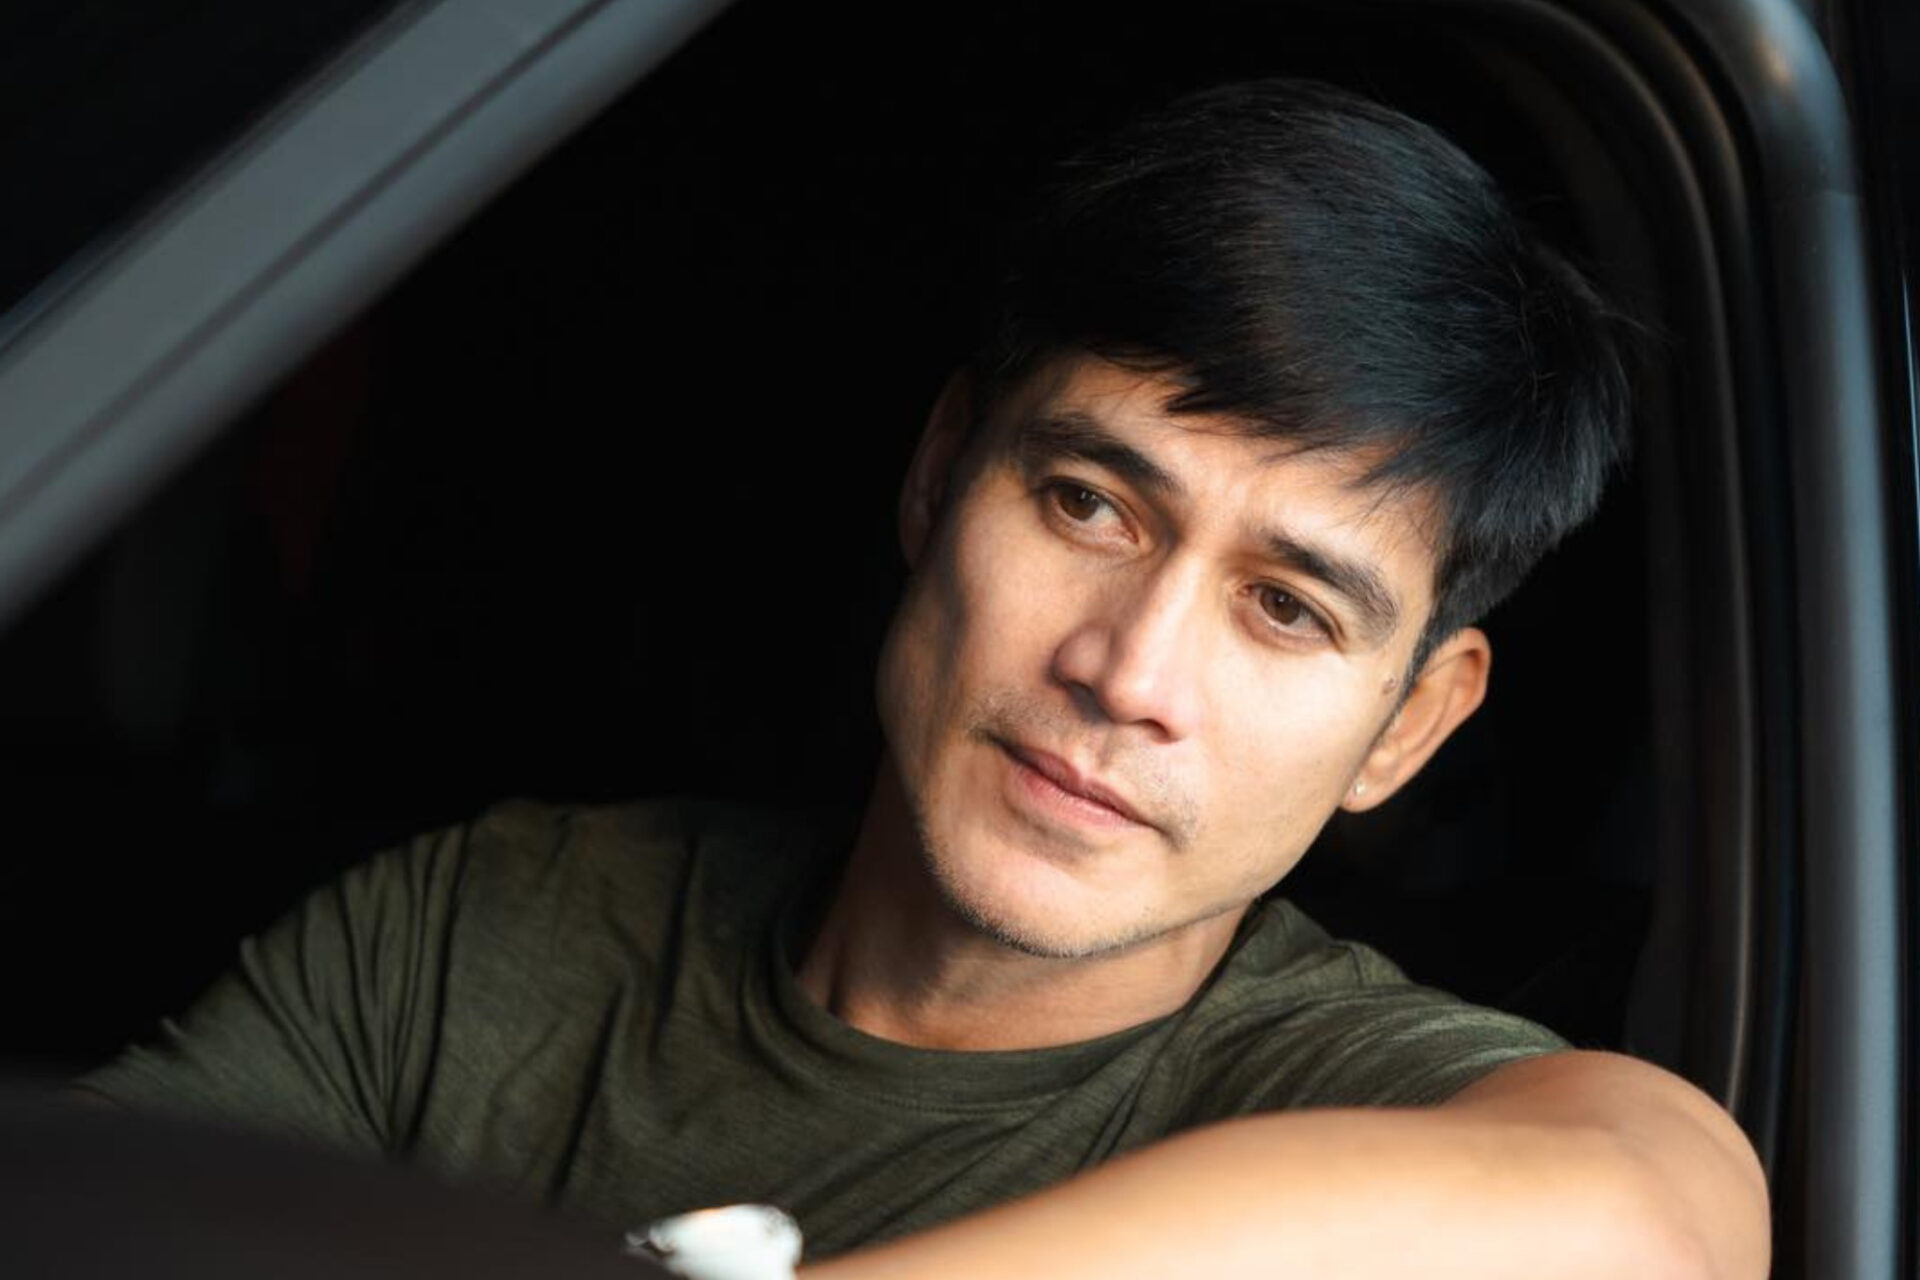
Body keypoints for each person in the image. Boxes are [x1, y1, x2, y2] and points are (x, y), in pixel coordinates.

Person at [78, 79, 1770, 1277]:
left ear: (1412, 720)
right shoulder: (485, 934)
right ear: (940, 469)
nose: (1129, 671)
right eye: (1090, 504)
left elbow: (1652, 1215)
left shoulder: (1348, 1097)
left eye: (1284, 608)